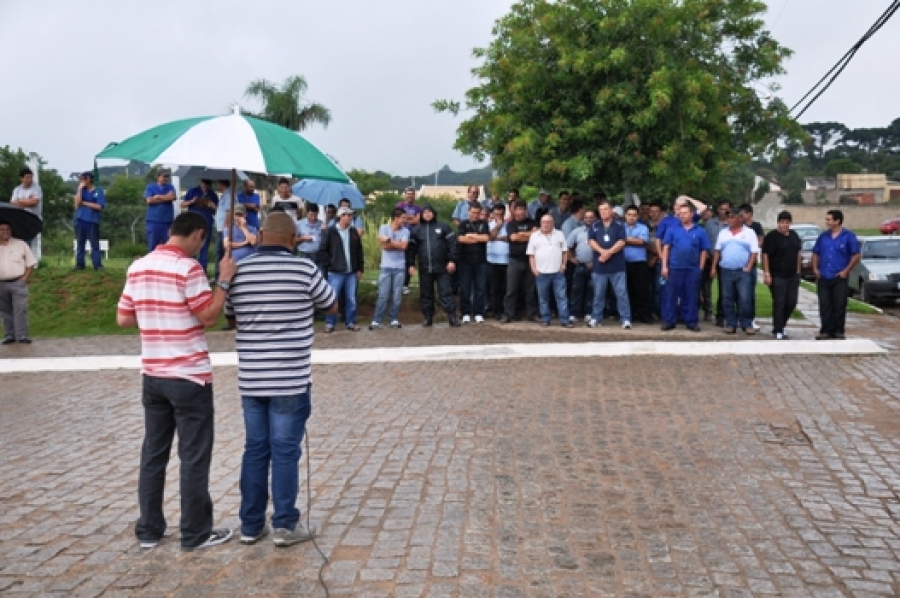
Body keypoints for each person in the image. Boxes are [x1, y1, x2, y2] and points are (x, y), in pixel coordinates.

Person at [116, 212, 236, 551]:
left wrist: (157, 309)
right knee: (193, 456)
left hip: (153, 374)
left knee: (153, 454)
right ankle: (195, 533)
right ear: (198, 234)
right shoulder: (189, 268)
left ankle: (149, 530)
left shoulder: (137, 266)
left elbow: (123, 318)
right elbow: (209, 317)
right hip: (188, 375)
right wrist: (224, 280)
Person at [223, 213, 336, 547]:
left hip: (252, 379)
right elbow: (331, 305)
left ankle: (250, 524)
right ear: (291, 239)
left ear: (259, 235)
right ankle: (285, 525)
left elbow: (229, 315)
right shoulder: (304, 269)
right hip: (290, 378)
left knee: (255, 450)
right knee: (285, 451)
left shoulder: (238, 270)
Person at [407, 204, 459, 326]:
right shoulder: (416, 230)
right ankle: (428, 317)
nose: (427, 214)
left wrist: (452, 260)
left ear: (434, 213)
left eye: (430, 212)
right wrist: (411, 264)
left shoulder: (444, 227)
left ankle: (452, 317)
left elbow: (453, 245)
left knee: (446, 292)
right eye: (425, 212)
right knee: (426, 294)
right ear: (421, 215)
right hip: (425, 268)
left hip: (443, 268)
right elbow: (411, 250)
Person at [660, 203, 710, 331]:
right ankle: (669, 321)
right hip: (674, 268)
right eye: (680, 214)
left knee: (691, 296)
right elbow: (666, 247)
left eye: (685, 213)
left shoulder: (700, 231)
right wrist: (664, 266)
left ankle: (691, 321)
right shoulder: (672, 230)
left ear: (691, 214)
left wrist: (701, 267)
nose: (682, 216)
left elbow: (704, 250)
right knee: (671, 295)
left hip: (692, 269)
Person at [811, 209, 860, 340]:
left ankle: (838, 331)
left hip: (839, 277)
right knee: (825, 305)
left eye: (829, 219)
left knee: (839, 304)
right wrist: (815, 268)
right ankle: (826, 330)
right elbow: (816, 253)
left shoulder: (848, 236)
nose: (826, 222)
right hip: (824, 276)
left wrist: (846, 271)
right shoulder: (823, 237)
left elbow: (856, 255)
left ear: (837, 221)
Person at [711, 211, 759, 335]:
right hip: (726, 271)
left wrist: (749, 267)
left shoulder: (749, 233)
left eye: (732, 217)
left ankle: (746, 324)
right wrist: (713, 267)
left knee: (745, 299)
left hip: (743, 272)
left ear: (739, 218)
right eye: (728, 218)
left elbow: (754, 252)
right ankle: (731, 324)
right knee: (727, 299)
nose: (729, 220)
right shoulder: (723, 233)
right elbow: (717, 251)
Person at [588, 201, 631, 329]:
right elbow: (591, 241)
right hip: (599, 266)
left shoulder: (619, 225)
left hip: (616, 266)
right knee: (598, 293)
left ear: (611, 210)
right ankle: (596, 318)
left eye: (606, 209)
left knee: (621, 293)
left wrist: (609, 252)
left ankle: (626, 319)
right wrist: (602, 252)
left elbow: (622, 241)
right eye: (601, 210)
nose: (603, 212)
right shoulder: (594, 225)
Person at [321, 207, 364, 332]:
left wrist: (360, 268)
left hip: (351, 271)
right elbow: (323, 250)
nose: (350, 218)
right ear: (341, 216)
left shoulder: (353, 232)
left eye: (351, 215)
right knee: (333, 298)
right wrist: (330, 264)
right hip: (335, 272)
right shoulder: (330, 231)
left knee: (351, 298)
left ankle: (350, 322)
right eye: (348, 215)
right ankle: (330, 323)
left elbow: (359, 251)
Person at [762, 211, 802, 340]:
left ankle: (780, 324)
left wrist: (798, 272)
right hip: (777, 275)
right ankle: (778, 330)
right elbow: (765, 255)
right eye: (782, 222)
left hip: (792, 275)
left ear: (790, 223)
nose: (784, 225)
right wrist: (767, 273)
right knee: (780, 302)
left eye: (786, 222)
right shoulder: (771, 237)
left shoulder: (794, 236)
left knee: (791, 301)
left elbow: (798, 253)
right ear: (778, 223)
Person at [527, 214, 571, 327]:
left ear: (553, 223)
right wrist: (533, 269)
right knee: (543, 298)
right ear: (540, 223)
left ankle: (565, 320)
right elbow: (531, 255)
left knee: (561, 297)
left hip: (558, 272)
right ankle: (545, 319)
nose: (546, 224)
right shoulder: (534, 236)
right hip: (541, 273)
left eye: (548, 222)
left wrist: (564, 265)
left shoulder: (559, 234)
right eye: (544, 222)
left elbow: (565, 251)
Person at [370, 208, 409, 330]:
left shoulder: (406, 231)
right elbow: (384, 246)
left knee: (397, 295)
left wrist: (389, 240)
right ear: (396, 218)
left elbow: (403, 246)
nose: (404, 220)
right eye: (403, 218)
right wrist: (394, 243)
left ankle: (393, 319)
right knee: (383, 294)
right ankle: (377, 320)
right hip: (386, 267)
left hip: (399, 267)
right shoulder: (384, 228)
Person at [502, 200, 538, 323]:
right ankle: (508, 314)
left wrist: (521, 235)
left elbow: (536, 236)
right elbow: (513, 237)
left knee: (530, 289)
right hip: (515, 260)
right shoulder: (511, 224)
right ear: (514, 211)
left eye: (523, 209)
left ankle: (532, 314)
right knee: (511, 289)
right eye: (519, 209)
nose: (521, 211)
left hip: (530, 260)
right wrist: (529, 234)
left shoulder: (532, 222)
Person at [0, 219, 36, 344]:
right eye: (2, 230)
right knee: (5, 310)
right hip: (1, 283)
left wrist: (24, 278)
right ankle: (9, 335)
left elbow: (31, 263)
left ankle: (22, 335)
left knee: (20, 309)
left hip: (17, 282)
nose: (5, 232)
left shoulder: (20, 244)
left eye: (8, 229)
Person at [456, 204, 490, 323]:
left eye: (477, 213)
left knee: (480, 288)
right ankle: (465, 312)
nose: (475, 215)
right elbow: (460, 239)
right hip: (465, 261)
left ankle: (478, 312)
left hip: (481, 261)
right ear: (469, 212)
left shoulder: (484, 224)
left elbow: (486, 238)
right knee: (465, 288)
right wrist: (477, 238)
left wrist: (470, 235)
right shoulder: (463, 224)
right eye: (473, 212)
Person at [566, 207, 596, 324]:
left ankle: (589, 313)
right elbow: (567, 246)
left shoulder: (600, 231)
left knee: (592, 290)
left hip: (595, 266)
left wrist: (596, 262)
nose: (588, 220)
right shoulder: (577, 231)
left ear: (595, 219)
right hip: (580, 265)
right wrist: (571, 258)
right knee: (576, 290)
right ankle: (574, 313)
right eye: (586, 218)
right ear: (583, 219)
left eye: (591, 217)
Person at [182, 179, 219, 272]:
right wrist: (192, 201)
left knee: (204, 247)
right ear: (201, 183)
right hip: (193, 222)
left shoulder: (212, 194)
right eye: (204, 184)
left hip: (206, 223)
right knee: (191, 245)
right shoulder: (192, 191)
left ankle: (203, 271)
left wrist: (212, 206)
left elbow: (217, 211)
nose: (206, 187)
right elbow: (182, 204)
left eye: (208, 185)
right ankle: (190, 269)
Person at [704, 200, 731, 325]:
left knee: (724, 289)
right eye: (721, 208)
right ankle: (707, 311)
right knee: (705, 287)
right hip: (709, 259)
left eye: (726, 209)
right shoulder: (710, 223)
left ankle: (721, 315)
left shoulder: (731, 225)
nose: (723, 211)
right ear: (717, 210)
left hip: (725, 260)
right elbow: (705, 240)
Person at [73, 171, 106, 271]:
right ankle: (80, 264)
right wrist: (79, 189)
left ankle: (97, 264)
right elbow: (78, 204)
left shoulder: (98, 190)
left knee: (94, 244)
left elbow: (99, 206)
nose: (81, 181)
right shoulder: (81, 190)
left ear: (89, 179)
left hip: (92, 220)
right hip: (80, 219)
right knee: (80, 243)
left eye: (83, 179)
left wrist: (85, 203)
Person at [623, 205, 651, 324]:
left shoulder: (643, 228)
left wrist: (626, 240)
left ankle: (643, 315)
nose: (631, 217)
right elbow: (619, 240)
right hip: (624, 263)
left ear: (638, 216)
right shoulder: (620, 227)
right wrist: (633, 240)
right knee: (627, 290)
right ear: (625, 216)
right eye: (629, 215)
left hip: (639, 263)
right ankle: (631, 314)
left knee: (642, 290)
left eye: (634, 215)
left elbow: (641, 241)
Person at [739, 203, 765, 330]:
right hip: (739, 264)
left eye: (743, 213)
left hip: (752, 263)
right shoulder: (739, 227)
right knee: (738, 293)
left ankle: (751, 318)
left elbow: (760, 242)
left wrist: (751, 245)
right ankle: (739, 317)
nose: (741, 216)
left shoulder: (756, 226)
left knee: (750, 293)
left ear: (749, 214)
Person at [10, 167, 42, 256]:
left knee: (29, 242)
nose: (29, 180)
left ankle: (29, 262)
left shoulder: (36, 188)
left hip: (32, 219)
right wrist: (27, 201)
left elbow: (34, 202)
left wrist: (20, 201)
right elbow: (13, 203)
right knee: (19, 242)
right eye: (27, 178)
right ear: (21, 178)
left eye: (31, 177)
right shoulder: (17, 190)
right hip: (20, 219)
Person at [486, 204, 509, 320]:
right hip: (492, 261)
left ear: (504, 214)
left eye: (501, 214)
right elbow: (490, 237)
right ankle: (496, 311)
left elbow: (511, 238)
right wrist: (498, 226)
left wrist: (499, 238)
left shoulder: (510, 225)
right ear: (493, 214)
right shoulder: (488, 225)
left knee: (506, 288)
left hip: (506, 261)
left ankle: (507, 310)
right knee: (495, 288)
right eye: (496, 214)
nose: (499, 216)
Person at [144, 170, 177, 251]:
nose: (165, 178)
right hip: (153, 221)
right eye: (163, 176)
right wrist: (166, 197)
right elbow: (149, 201)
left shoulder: (170, 187)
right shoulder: (150, 187)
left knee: (168, 247)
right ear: (158, 177)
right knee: (153, 246)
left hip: (167, 221)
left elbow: (173, 198)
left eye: (167, 177)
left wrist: (158, 196)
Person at [213, 179, 233, 280]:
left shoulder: (228, 194)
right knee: (220, 251)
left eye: (218, 183)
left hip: (223, 228)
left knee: (220, 251)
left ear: (221, 184)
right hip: (221, 227)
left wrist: (226, 225)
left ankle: (219, 275)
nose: (217, 185)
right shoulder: (226, 194)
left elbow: (230, 210)